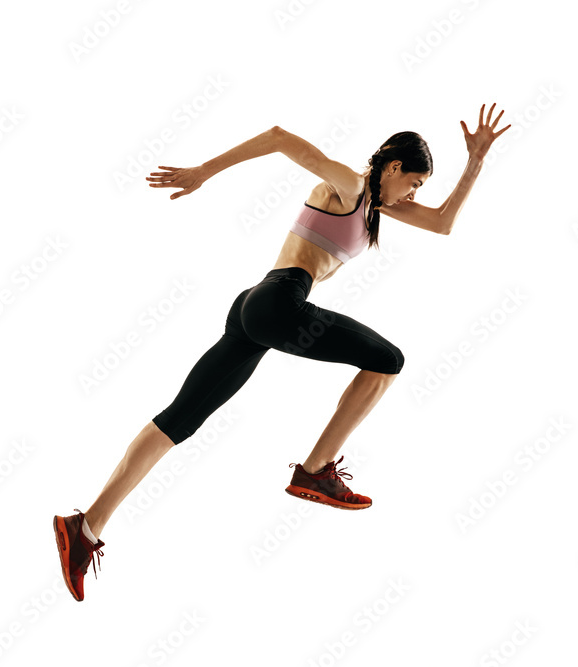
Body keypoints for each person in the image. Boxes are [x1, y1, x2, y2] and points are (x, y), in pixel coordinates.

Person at [54, 103, 511, 601]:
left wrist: (477, 162)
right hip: (279, 302)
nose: (415, 194)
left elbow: (444, 223)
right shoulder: (351, 187)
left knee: (178, 421)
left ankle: (85, 528)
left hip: (255, 308)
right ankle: (316, 471)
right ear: (395, 167)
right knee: (388, 361)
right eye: (416, 182)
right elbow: (277, 137)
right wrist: (203, 172)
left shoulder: (377, 207)